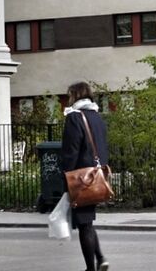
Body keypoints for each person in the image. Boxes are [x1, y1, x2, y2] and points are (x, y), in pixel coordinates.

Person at [60, 81, 109, 271]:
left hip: (81, 177)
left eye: (69, 95)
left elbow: (71, 151)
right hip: (97, 175)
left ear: (75, 95)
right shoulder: (96, 116)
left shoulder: (75, 117)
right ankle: (101, 258)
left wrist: (67, 177)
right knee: (86, 222)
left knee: (84, 224)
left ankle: (91, 268)